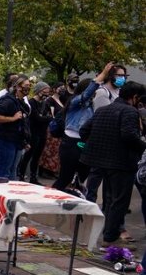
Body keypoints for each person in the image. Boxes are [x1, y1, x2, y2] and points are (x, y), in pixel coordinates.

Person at [80, 81, 146, 245]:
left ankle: (107, 233)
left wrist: (97, 146)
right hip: (121, 163)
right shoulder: (130, 111)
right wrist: (143, 146)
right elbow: (129, 135)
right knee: (119, 201)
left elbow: (84, 131)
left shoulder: (103, 110)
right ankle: (110, 236)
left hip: (101, 161)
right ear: (135, 97)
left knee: (110, 200)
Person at [53, 63, 113, 195]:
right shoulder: (75, 102)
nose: (95, 93)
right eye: (93, 91)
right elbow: (86, 95)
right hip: (70, 143)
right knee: (65, 177)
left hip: (84, 143)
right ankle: (53, 199)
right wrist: (102, 76)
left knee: (82, 177)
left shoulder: (92, 106)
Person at [0, 75, 31, 181]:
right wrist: (12, 118)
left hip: (17, 141)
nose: (28, 88)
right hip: (6, 140)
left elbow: (22, 124)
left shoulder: (22, 103)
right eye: (26, 85)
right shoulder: (8, 101)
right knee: (3, 172)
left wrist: (24, 141)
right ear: (18, 87)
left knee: (12, 171)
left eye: (29, 85)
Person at [18, 81, 52, 184]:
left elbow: (45, 117)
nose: (47, 93)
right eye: (45, 91)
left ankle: (33, 178)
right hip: (33, 133)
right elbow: (37, 118)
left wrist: (45, 118)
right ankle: (21, 176)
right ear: (39, 91)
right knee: (28, 155)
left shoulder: (45, 103)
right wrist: (48, 118)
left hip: (42, 133)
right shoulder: (31, 102)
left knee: (37, 156)